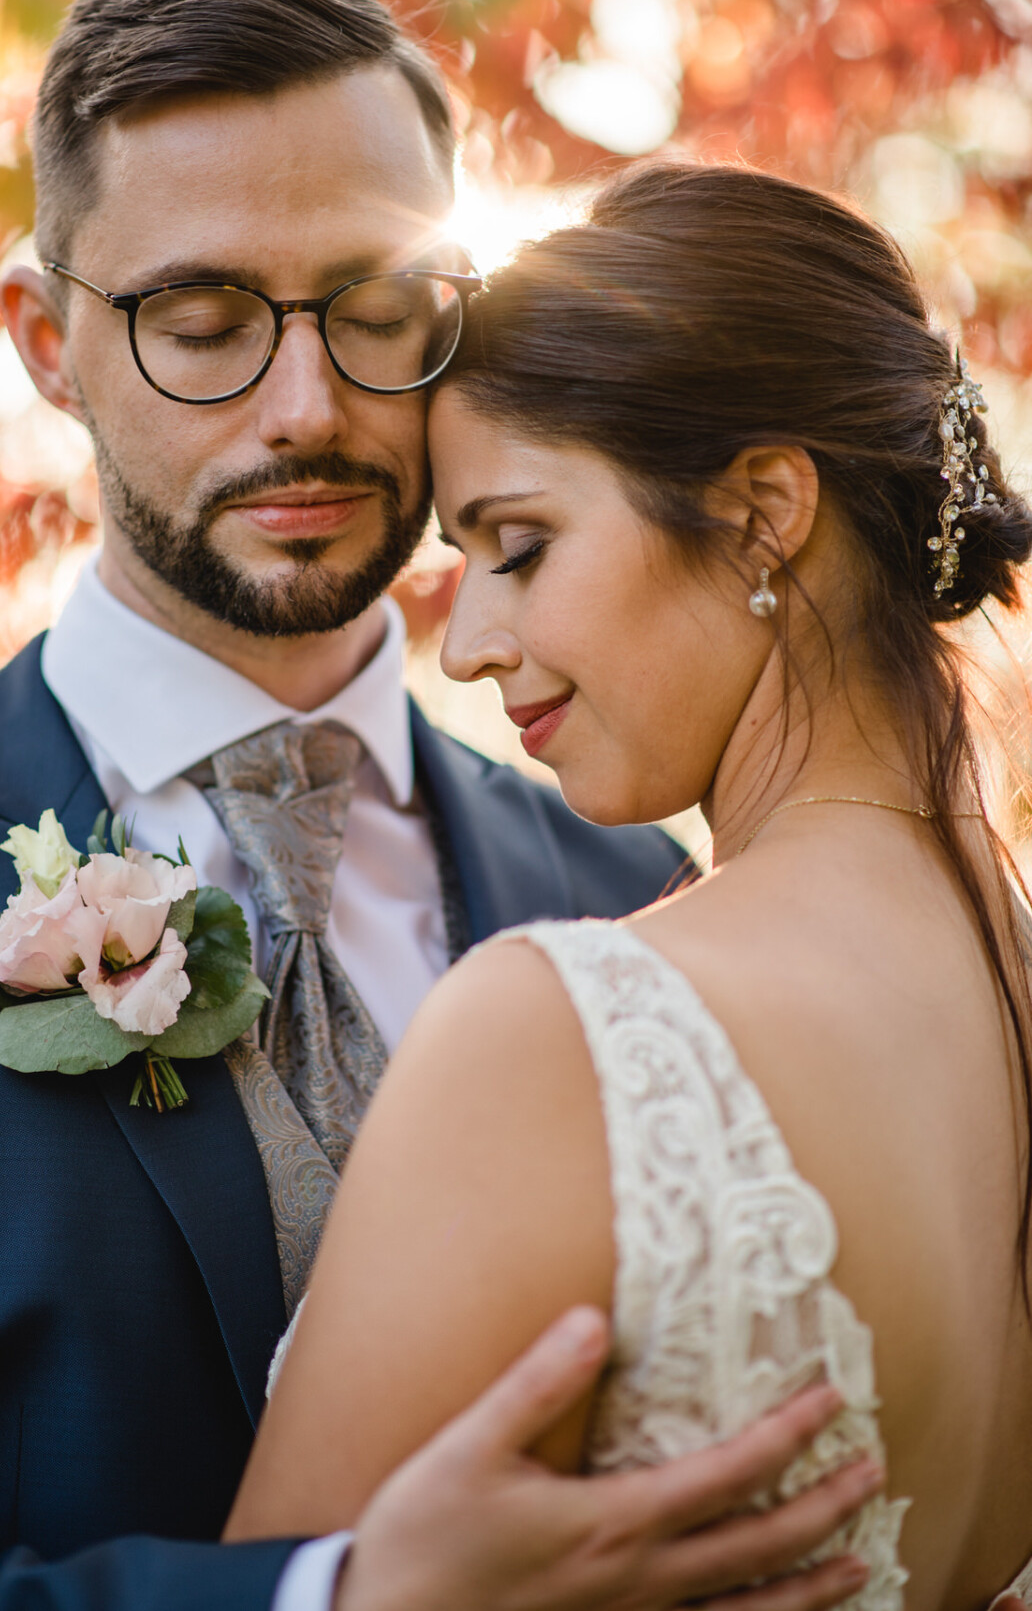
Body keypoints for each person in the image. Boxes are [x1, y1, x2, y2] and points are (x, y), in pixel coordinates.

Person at [0, 0, 876, 1610]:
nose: (305, 409)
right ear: (46, 343)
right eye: (201, 329)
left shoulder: (635, 899)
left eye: (377, 312)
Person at [225, 159, 1032, 1610]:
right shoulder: (1008, 982)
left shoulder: (567, 1031)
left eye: (519, 548)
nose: (465, 644)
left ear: (764, 509)